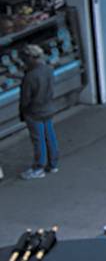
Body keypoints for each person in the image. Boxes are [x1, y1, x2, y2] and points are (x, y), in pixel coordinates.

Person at [17, 44, 57, 179]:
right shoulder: (48, 70)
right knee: (49, 136)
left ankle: (39, 167)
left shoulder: (30, 77)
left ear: (30, 58)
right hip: (48, 108)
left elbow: (25, 99)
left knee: (38, 139)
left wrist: (23, 112)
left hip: (34, 112)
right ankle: (52, 164)